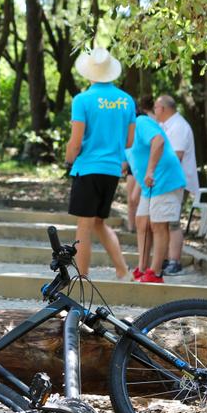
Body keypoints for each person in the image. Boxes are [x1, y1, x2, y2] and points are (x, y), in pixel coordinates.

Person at [65, 47, 134, 280]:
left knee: (84, 226)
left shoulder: (82, 100)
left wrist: (69, 159)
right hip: (112, 170)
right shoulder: (126, 100)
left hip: (88, 168)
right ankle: (122, 270)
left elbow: (75, 142)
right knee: (98, 223)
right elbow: (129, 141)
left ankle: (82, 277)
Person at [128, 103, 186, 283]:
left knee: (159, 224)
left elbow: (158, 141)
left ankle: (155, 272)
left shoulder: (141, 122)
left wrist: (150, 171)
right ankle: (142, 268)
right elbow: (133, 160)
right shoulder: (123, 133)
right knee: (141, 222)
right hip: (149, 185)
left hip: (165, 179)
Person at [154, 94, 198, 275]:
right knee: (164, 222)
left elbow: (176, 156)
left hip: (176, 181)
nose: (154, 111)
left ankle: (175, 261)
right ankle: (165, 259)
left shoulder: (178, 126)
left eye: (156, 108)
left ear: (163, 109)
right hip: (167, 180)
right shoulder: (166, 126)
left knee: (173, 222)